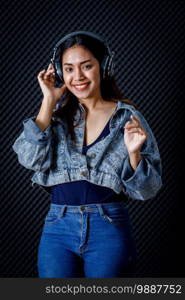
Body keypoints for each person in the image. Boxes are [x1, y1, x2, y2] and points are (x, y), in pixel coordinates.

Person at [12, 31, 162, 278]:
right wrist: (48, 102)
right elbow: (28, 159)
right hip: (57, 229)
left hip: (109, 227)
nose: (77, 76)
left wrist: (134, 154)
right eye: (68, 69)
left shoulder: (127, 117)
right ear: (60, 74)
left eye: (86, 66)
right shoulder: (55, 118)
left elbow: (147, 190)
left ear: (102, 68)